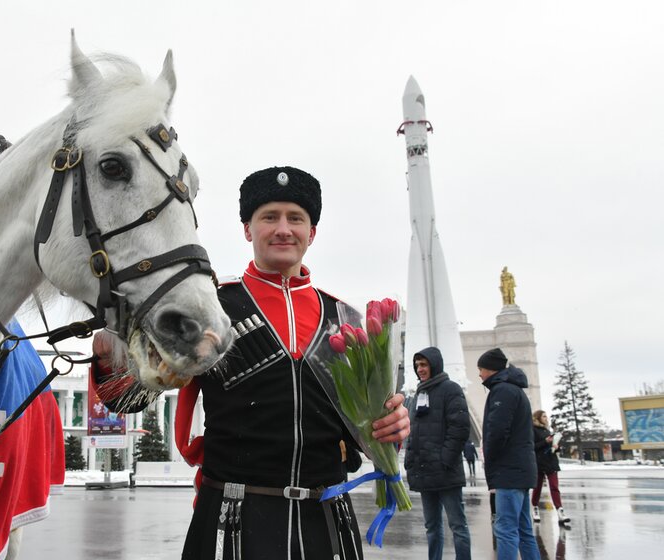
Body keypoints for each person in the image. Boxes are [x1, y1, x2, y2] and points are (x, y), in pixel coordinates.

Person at [92, 166, 410, 559]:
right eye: (269, 217)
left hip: (325, 525)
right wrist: (113, 348)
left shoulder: (343, 319)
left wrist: (389, 426)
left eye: (296, 218)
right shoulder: (210, 307)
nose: (283, 229)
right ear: (248, 229)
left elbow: (358, 435)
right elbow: (126, 398)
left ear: (312, 233)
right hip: (235, 523)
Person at [404, 347, 472, 560]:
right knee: (432, 527)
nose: (420, 369)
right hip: (425, 471)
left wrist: (445, 459)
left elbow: (460, 428)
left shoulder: (450, 389)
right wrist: (410, 461)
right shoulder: (419, 394)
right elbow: (413, 431)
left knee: (457, 525)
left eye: (424, 365)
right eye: (417, 366)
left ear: (435, 364)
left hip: (446, 472)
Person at [478, 348, 540, 560]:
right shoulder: (516, 390)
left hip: (509, 472)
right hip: (521, 471)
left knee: (505, 529)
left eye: (481, 369)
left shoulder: (502, 391)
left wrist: (490, 459)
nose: (479, 374)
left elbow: (496, 431)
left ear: (491, 369)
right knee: (524, 530)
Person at [531, 410, 571, 524]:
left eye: (546, 416)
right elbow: (532, 446)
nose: (546, 418)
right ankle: (535, 507)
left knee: (554, 487)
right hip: (539, 462)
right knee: (537, 488)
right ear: (538, 418)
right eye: (543, 416)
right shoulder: (533, 430)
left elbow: (551, 445)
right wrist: (545, 441)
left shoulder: (547, 430)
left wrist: (556, 446)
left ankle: (560, 511)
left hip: (551, 461)